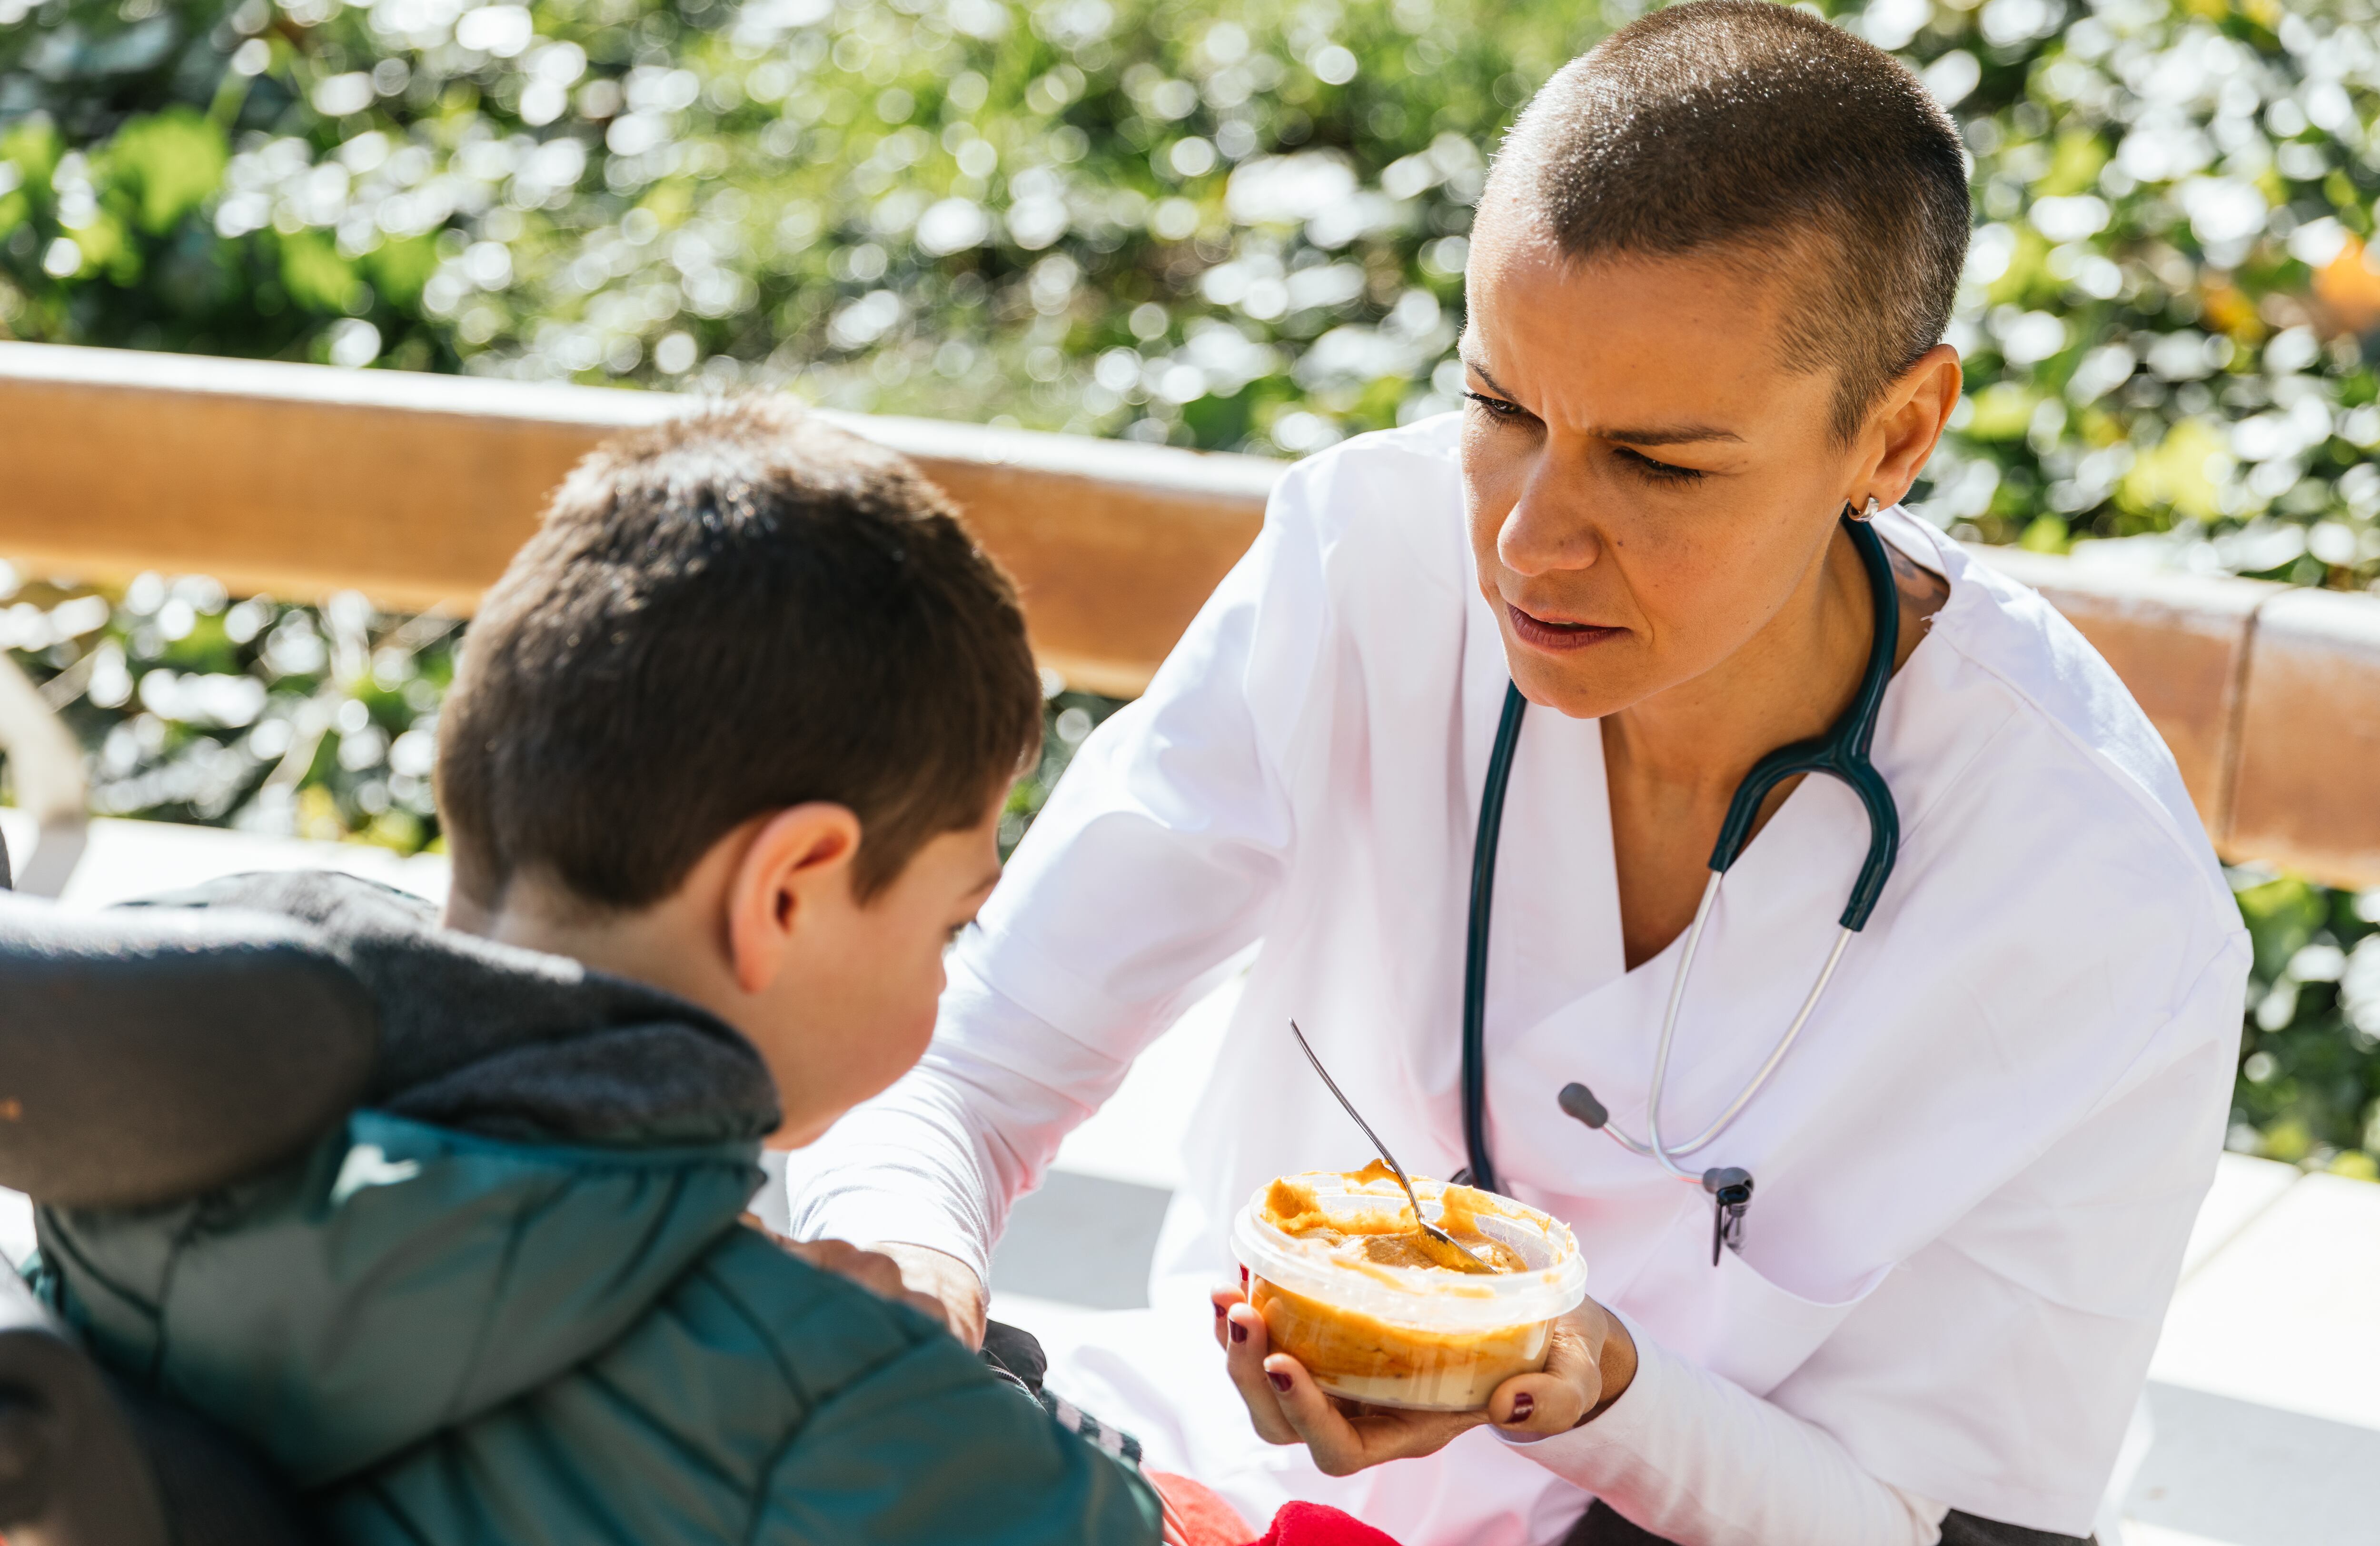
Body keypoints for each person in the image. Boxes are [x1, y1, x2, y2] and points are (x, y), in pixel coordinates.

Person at [782, 6, 2250, 1545]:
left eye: (1660, 463)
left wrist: (1611, 1393)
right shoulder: (1369, 561)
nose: (1529, 538)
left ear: (1896, 433)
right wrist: (916, 1271)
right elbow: (965, 1069)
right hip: (1217, 1475)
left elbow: (1928, 1523)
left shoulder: (2099, 910)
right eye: (1498, 408)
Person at [27, 403, 1165, 1545]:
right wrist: (876, 1371)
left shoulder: (137, 1147)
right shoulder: (846, 1425)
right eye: (949, 926)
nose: (946, 974)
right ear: (787, 889)